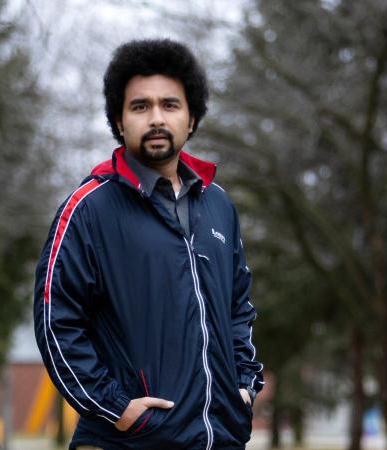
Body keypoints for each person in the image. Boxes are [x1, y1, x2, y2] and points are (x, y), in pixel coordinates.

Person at [33, 39, 264, 450]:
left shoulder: (219, 206)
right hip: (128, 441)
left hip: (220, 438)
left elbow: (238, 309)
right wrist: (117, 407)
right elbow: (56, 322)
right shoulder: (89, 209)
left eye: (170, 105)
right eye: (140, 106)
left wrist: (243, 386)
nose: (156, 117)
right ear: (119, 121)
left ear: (191, 118)